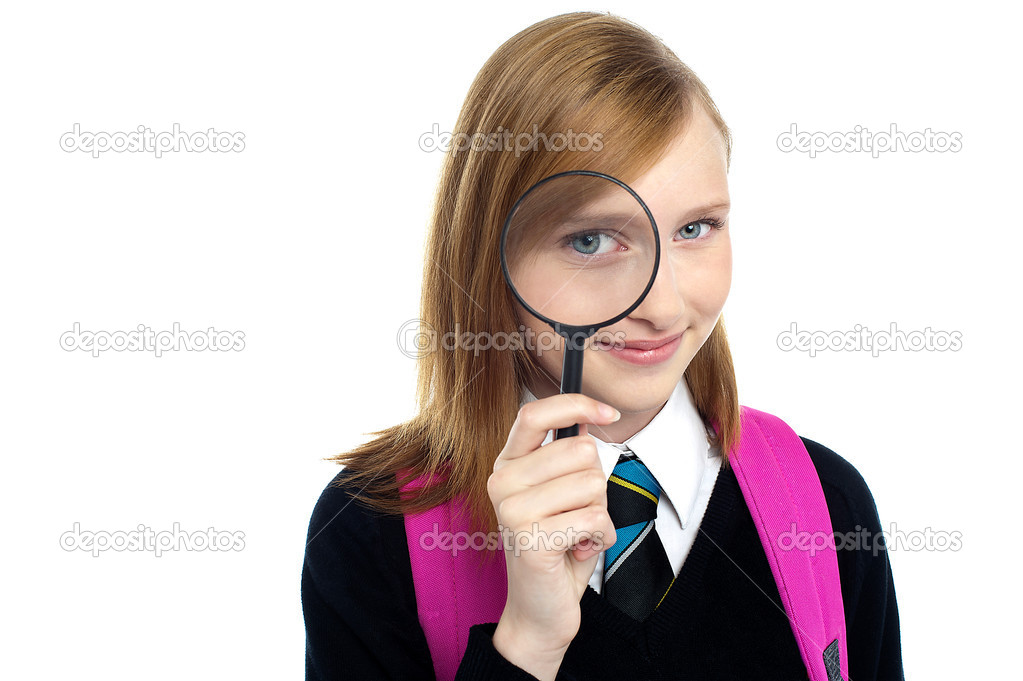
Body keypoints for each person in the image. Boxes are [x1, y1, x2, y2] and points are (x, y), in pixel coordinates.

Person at [302, 11, 904, 681]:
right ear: (486, 260)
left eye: (695, 228)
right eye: (590, 240)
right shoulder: (371, 529)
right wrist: (526, 643)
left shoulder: (822, 503)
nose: (663, 305)